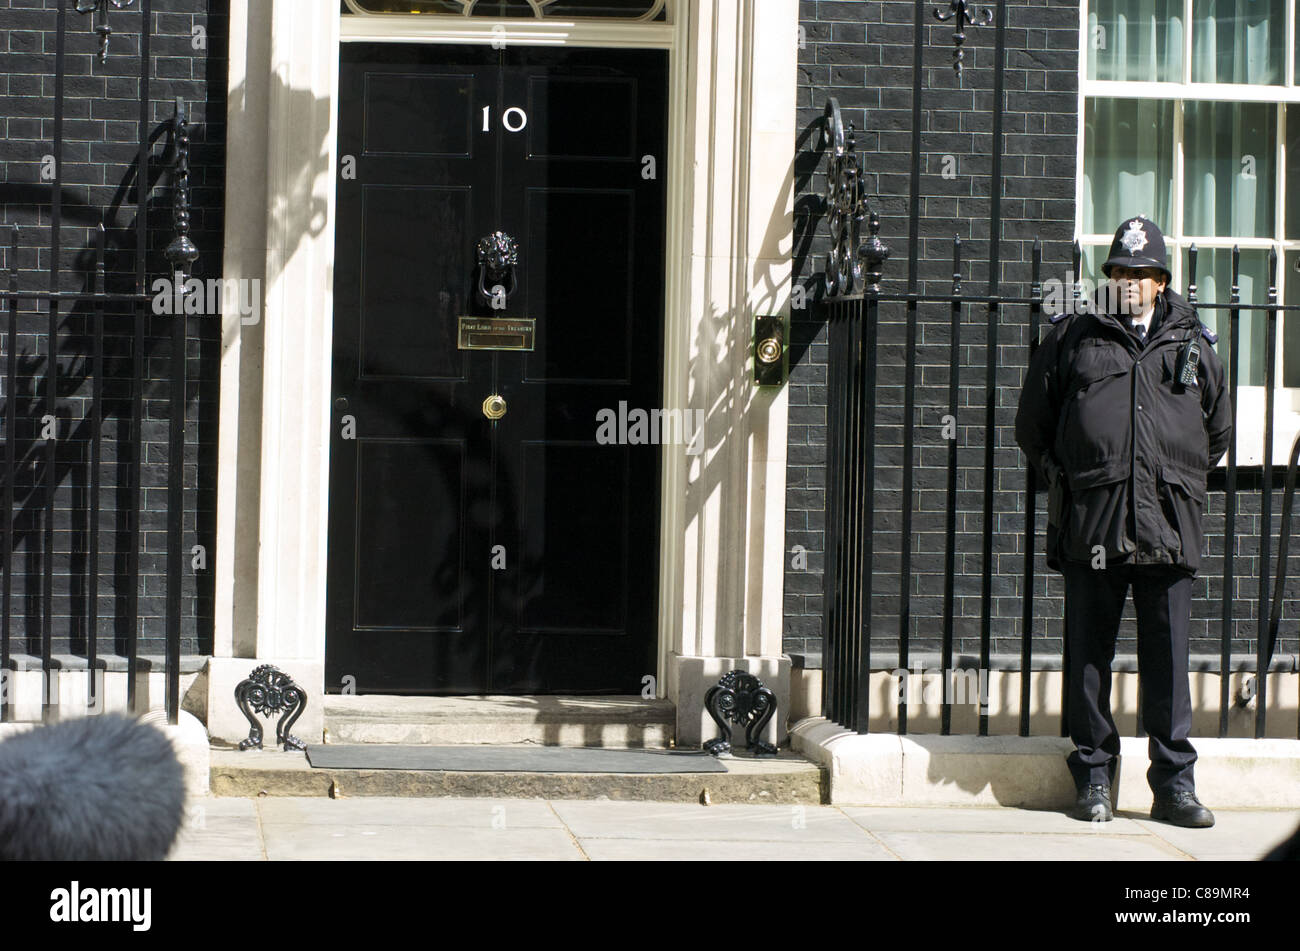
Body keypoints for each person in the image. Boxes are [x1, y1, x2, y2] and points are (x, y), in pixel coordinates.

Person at [1015, 216, 1233, 827]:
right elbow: (1033, 427)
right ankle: (1093, 781)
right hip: (1095, 521)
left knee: (1168, 658)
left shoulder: (1194, 342)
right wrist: (1075, 482)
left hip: (1167, 521)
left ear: (1161, 280)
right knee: (1089, 656)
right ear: (1107, 276)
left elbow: (1217, 431)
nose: (1129, 281)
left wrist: (1172, 477)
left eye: (1141, 272)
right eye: (1119, 271)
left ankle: (1174, 787)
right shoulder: (1074, 337)